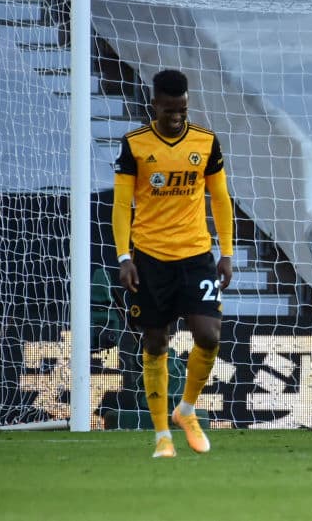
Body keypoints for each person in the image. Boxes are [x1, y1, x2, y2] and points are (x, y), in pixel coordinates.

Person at [113, 69, 233, 458]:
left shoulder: (205, 142)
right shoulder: (135, 146)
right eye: (169, 110)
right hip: (150, 258)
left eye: (182, 109)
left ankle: (186, 411)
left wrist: (226, 252)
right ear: (155, 106)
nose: (177, 117)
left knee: (209, 336)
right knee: (155, 340)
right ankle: (162, 434)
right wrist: (124, 256)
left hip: (197, 255)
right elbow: (120, 205)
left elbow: (220, 198)